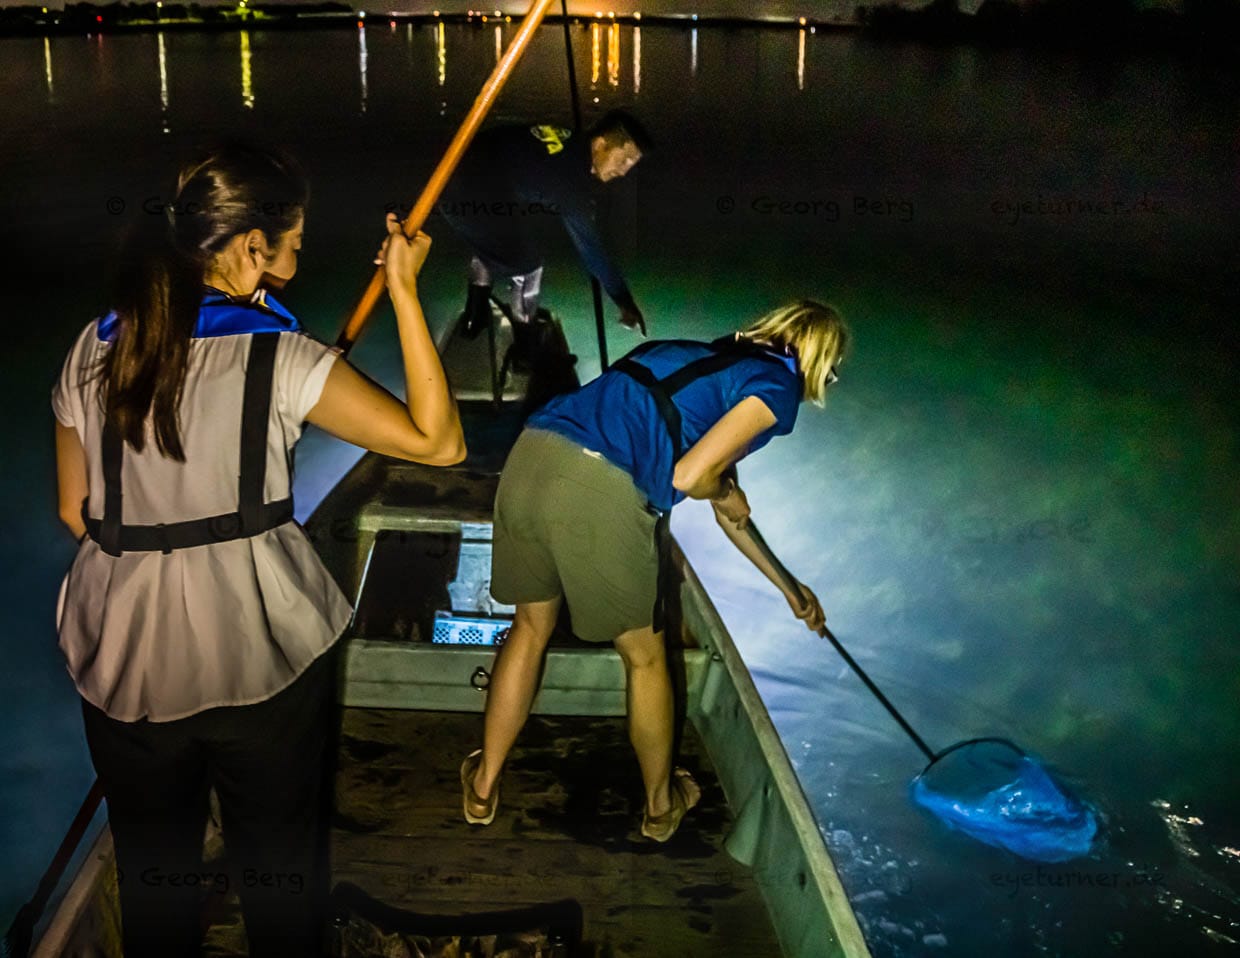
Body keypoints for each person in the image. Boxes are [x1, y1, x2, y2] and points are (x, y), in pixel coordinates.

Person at [51, 142, 463, 957]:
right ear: (251, 248)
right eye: (295, 243)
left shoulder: (92, 347)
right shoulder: (285, 356)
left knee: (154, 878)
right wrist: (407, 293)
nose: (299, 259)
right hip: (259, 653)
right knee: (280, 875)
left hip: (122, 657)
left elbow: (77, 512)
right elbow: (438, 442)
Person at [461, 301, 844, 842]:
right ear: (814, 357)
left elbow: (721, 504)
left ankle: (482, 787)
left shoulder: (695, 361)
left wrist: (788, 587)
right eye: (832, 369)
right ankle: (661, 808)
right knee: (644, 659)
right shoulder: (776, 386)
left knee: (529, 628)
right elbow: (692, 476)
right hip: (601, 487)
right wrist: (724, 487)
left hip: (532, 456)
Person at [437, 110, 653, 358]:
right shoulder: (572, 182)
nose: (624, 172)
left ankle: (475, 317)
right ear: (601, 144)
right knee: (529, 266)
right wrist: (622, 299)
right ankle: (526, 350)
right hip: (467, 193)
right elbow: (591, 249)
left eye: (631, 165)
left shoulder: (569, 138)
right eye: (624, 160)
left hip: (451, 169)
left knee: (498, 236)